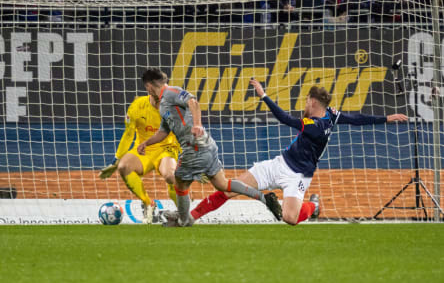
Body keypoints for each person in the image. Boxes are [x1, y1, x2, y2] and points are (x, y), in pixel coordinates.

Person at [189, 78, 409, 226]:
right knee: (230, 189)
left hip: (298, 176)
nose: (304, 103)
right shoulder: (331, 115)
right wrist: (385, 118)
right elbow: (356, 119)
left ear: (312, 102)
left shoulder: (314, 126)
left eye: (306, 100)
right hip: (279, 164)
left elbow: (285, 119)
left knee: (290, 218)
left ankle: (313, 205)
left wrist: (263, 95)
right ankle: (191, 216)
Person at [136, 68, 281, 227]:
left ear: (149, 85)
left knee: (179, 181)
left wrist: (197, 124)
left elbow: (193, 102)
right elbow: (163, 132)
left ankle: (183, 220)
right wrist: (146, 143)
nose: (148, 92)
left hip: (194, 145)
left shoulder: (171, 92)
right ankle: (264, 198)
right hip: (206, 145)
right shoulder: (163, 104)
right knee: (222, 184)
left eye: (147, 89)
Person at [99, 69, 181, 224]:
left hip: (167, 149)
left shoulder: (173, 105)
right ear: (149, 87)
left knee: (171, 176)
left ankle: (183, 211)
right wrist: (115, 161)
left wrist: (189, 158)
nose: (165, 89)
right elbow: (128, 134)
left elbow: (183, 132)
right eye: (160, 85)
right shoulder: (137, 106)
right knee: (124, 166)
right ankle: (148, 203)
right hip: (143, 150)